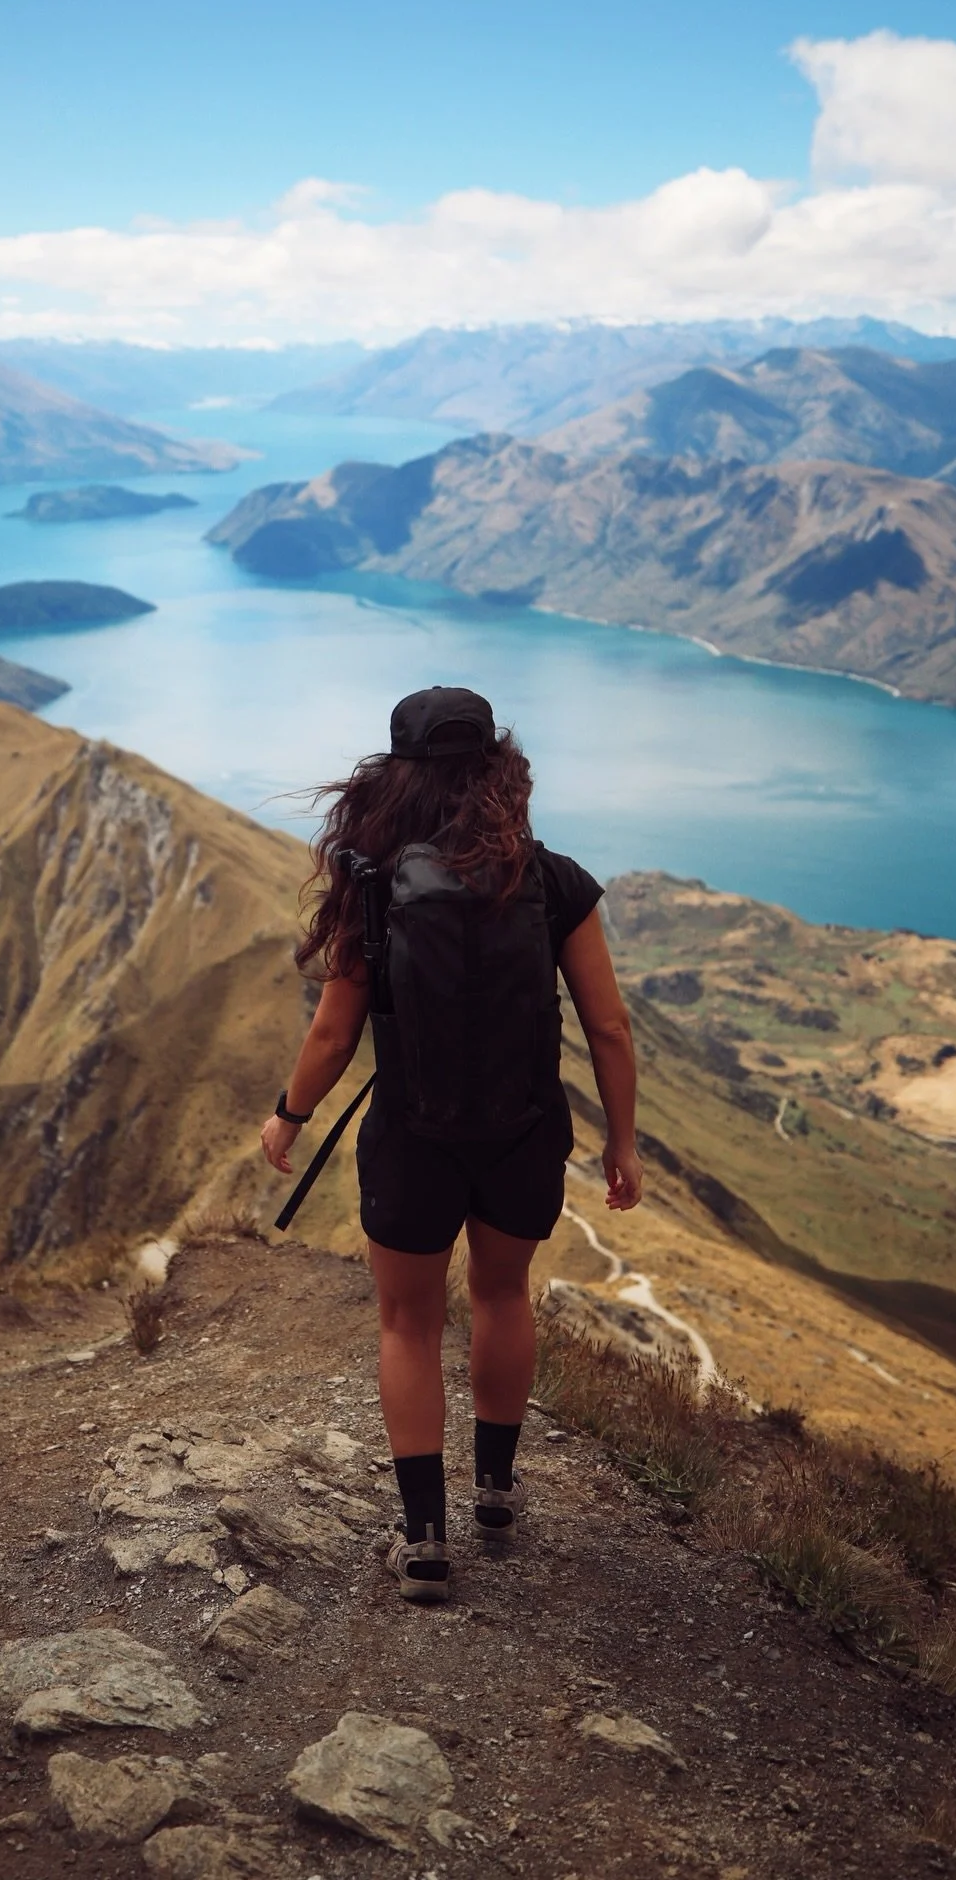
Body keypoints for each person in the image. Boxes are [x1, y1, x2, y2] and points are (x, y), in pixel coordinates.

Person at [260, 686, 642, 1603]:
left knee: (409, 1324)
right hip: (522, 1133)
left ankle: (425, 1539)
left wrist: (290, 1114)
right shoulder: (555, 882)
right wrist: (620, 1144)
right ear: (499, 771)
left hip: (412, 1140)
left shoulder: (376, 886)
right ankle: (500, 1498)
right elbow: (611, 1029)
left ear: (399, 780)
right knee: (504, 1294)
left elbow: (332, 1035)